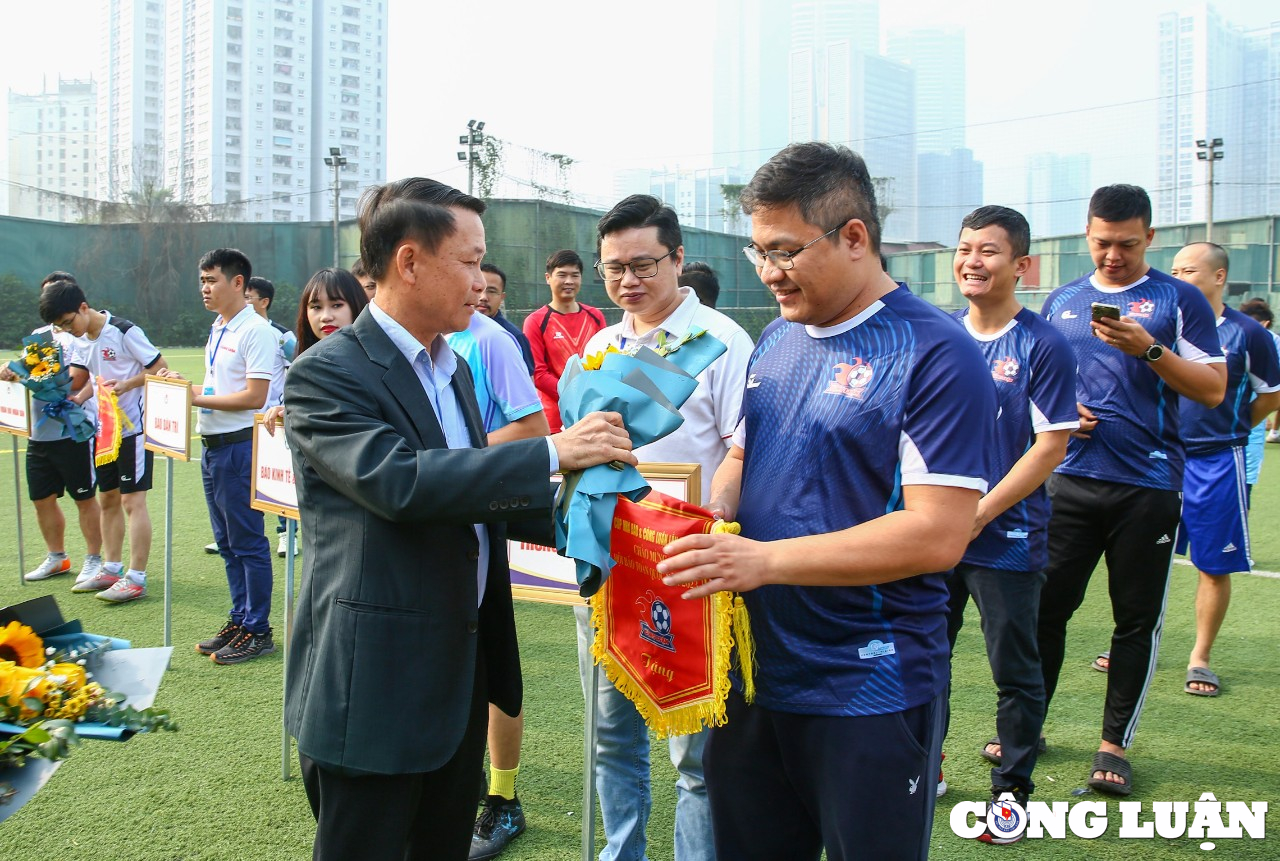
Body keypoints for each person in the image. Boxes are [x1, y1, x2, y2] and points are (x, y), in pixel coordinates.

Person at [658, 142, 996, 861]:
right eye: (758, 252)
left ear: (853, 236)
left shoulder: (933, 351)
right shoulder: (777, 339)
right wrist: (718, 512)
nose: (770, 272)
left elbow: (938, 534)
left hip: (867, 681)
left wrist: (763, 559)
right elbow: (745, 453)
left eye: (784, 250)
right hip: (754, 675)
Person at [281, 176, 635, 861]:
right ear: (409, 262)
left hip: (459, 675)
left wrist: (609, 520)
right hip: (376, 686)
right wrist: (554, 449)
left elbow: (473, 500)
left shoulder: (457, 369)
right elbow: (402, 483)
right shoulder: (327, 373)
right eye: (470, 261)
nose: (483, 280)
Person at [576, 195, 753, 861]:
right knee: (610, 732)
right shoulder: (601, 345)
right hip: (610, 561)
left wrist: (714, 525)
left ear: (678, 259)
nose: (629, 280)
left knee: (695, 752)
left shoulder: (722, 341)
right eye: (614, 268)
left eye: (644, 263)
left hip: (688, 567)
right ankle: (620, 853)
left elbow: (741, 445)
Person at [1038, 185, 1226, 795]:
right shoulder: (1063, 300)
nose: (1111, 255)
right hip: (1067, 480)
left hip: (1147, 484)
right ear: (1086, 235)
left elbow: (1212, 389)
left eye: (1124, 243)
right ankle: (1026, 727)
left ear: (1149, 237)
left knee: (1134, 621)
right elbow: (1036, 388)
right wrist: (1065, 406)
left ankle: (1113, 746)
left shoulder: (1180, 299)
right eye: (1100, 242)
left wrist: (1150, 350)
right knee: (1046, 610)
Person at [945, 206, 1078, 842]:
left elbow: (1051, 444)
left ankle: (1011, 794)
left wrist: (981, 511)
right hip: (929, 533)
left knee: (1015, 669)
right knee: (921, 655)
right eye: (965, 248)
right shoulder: (940, 336)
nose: (972, 260)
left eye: (989, 251)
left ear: (1022, 266)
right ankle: (926, 765)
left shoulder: (1043, 343)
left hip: (1005, 534)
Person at [447, 280, 548, 861]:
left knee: (494, 670)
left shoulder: (488, 341)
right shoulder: (416, 346)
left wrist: (451, 461)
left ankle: (502, 795)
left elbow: (531, 428)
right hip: (426, 539)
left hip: (480, 531)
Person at [157, 248, 285, 665]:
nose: (204, 289)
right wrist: (185, 388)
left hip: (240, 447)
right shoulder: (220, 327)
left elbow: (255, 396)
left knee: (247, 543)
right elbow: (217, 389)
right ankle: (240, 618)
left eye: (212, 280)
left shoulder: (256, 331)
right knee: (228, 544)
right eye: (202, 281)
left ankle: (259, 629)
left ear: (238, 284)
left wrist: (192, 396)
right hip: (214, 449)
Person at [1168, 243, 1280, 697]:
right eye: (1173, 269)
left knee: (1213, 565)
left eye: (1188, 270)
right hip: (1160, 460)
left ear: (1218, 277)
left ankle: (1200, 656)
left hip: (1217, 462)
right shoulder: (1162, 327)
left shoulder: (1248, 333)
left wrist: (1231, 428)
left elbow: (1270, 397)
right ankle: (1135, 644)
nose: (1177, 277)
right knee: (1141, 561)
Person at [39, 280, 168, 602]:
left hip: (134, 429)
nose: (68, 331)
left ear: (84, 307)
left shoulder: (124, 331)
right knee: (108, 498)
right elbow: (77, 380)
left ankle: (136, 577)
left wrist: (128, 384)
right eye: (60, 327)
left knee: (131, 501)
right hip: (104, 431)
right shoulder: (80, 340)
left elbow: (161, 370)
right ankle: (111, 568)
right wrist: (34, 376)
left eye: (68, 322)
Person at [1, 271, 103, 587]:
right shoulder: (40, 336)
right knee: (42, 498)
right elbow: (26, 370)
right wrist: (11, 372)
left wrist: (32, 377)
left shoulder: (81, 335)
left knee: (83, 497)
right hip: (38, 433)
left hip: (71, 431)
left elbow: (77, 379)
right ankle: (57, 557)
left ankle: (94, 560)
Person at [260, 267, 370, 435]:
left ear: (356, 306)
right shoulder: (303, 368)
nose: (326, 316)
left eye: (337, 305)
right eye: (316, 307)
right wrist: (291, 413)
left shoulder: (376, 364)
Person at [523, 249, 606, 433]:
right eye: (562, 275)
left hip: (593, 414)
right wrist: (573, 395)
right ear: (548, 278)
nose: (569, 281)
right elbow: (539, 373)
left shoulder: (595, 316)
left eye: (575, 275)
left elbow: (605, 363)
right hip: (553, 420)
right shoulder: (536, 321)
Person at [246, 275, 296, 557]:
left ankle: (287, 534)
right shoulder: (234, 330)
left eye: (248, 298)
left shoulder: (281, 336)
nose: (242, 302)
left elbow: (301, 363)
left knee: (279, 478)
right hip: (242, 421)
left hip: (271, 421)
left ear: (264, 302)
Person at [1238, 298, 1280, 489]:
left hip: (1247, 427)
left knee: (1243, 484)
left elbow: (1272, 396)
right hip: (1227, 426)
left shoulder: (1273, 342)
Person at [479, 262, 535, 375]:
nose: (483, 297)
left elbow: (526, 384)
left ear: (502, 297)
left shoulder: (514, 337)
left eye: (491, 291)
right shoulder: (453, 331)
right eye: (479, 289)